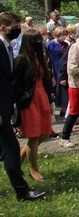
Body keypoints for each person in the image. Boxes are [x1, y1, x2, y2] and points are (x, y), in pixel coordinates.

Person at [0, 12, 46, 201]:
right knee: (11, 149)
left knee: (9, 149)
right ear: (3, 27)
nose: (18, 30)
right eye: (15, 26)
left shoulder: (7, 47)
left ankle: (22, 190)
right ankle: (22, 191)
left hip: (5, 106)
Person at [12, 29, 53, 181]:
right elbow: (15, 84)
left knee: (45, 133)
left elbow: (47, 80)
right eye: (35, 40)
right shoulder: (22, 60)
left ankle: (18, 160)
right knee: (34, 135)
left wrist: (50, 99)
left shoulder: (41, 57)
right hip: (29, 100)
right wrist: (15, 106)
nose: (39, 43)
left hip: (42, 96)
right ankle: (33, 169)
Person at [47, 26, 68, 116]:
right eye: (62, 34)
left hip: (62, 67)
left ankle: (63, 109)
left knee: (62, 88)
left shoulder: (65, 44)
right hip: (53, 66)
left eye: (64, 34)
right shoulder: (50, 44)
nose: (63, 36)